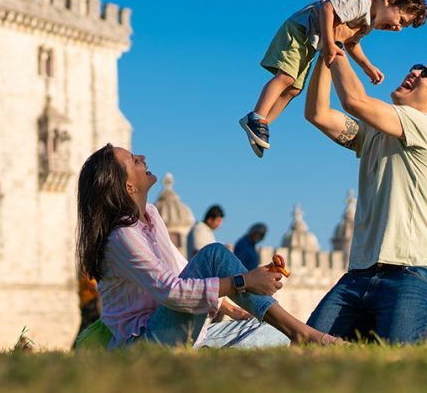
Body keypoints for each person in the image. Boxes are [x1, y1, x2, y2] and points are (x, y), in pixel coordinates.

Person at [77, 144, 339, 349]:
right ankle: (304, 333)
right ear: (128, 186)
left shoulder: (152, 215)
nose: (143, 157)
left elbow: (181, 268)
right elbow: (172, 292)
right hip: (143, 342)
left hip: (176, 330)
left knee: (269, 332)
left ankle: (214, 355)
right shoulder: (121, 236)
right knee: (212, 254)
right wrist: (244, 281)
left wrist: (229, 306)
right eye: (134, 160)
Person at [303, 36, 427, 343]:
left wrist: (333, 38)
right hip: (359, 273)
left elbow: (355, 100)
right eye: (418, 67)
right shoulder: (375, 131)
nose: (416, 72)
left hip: (410, 273)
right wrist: (324, 54)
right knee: (306, 348)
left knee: (398, 367)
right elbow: (317, 113)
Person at [240, 0, 427, 158]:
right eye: (402, 20)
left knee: (294, 90)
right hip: (300, 29)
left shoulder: (368, 23)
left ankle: (262, 125)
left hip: (311, 39)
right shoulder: (361, 0)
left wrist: (367, 66)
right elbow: (327, 8)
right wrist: (330, 43)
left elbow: (352, 44)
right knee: (287, 78)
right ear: (390, 0)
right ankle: (256, 117)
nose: (398, 28)